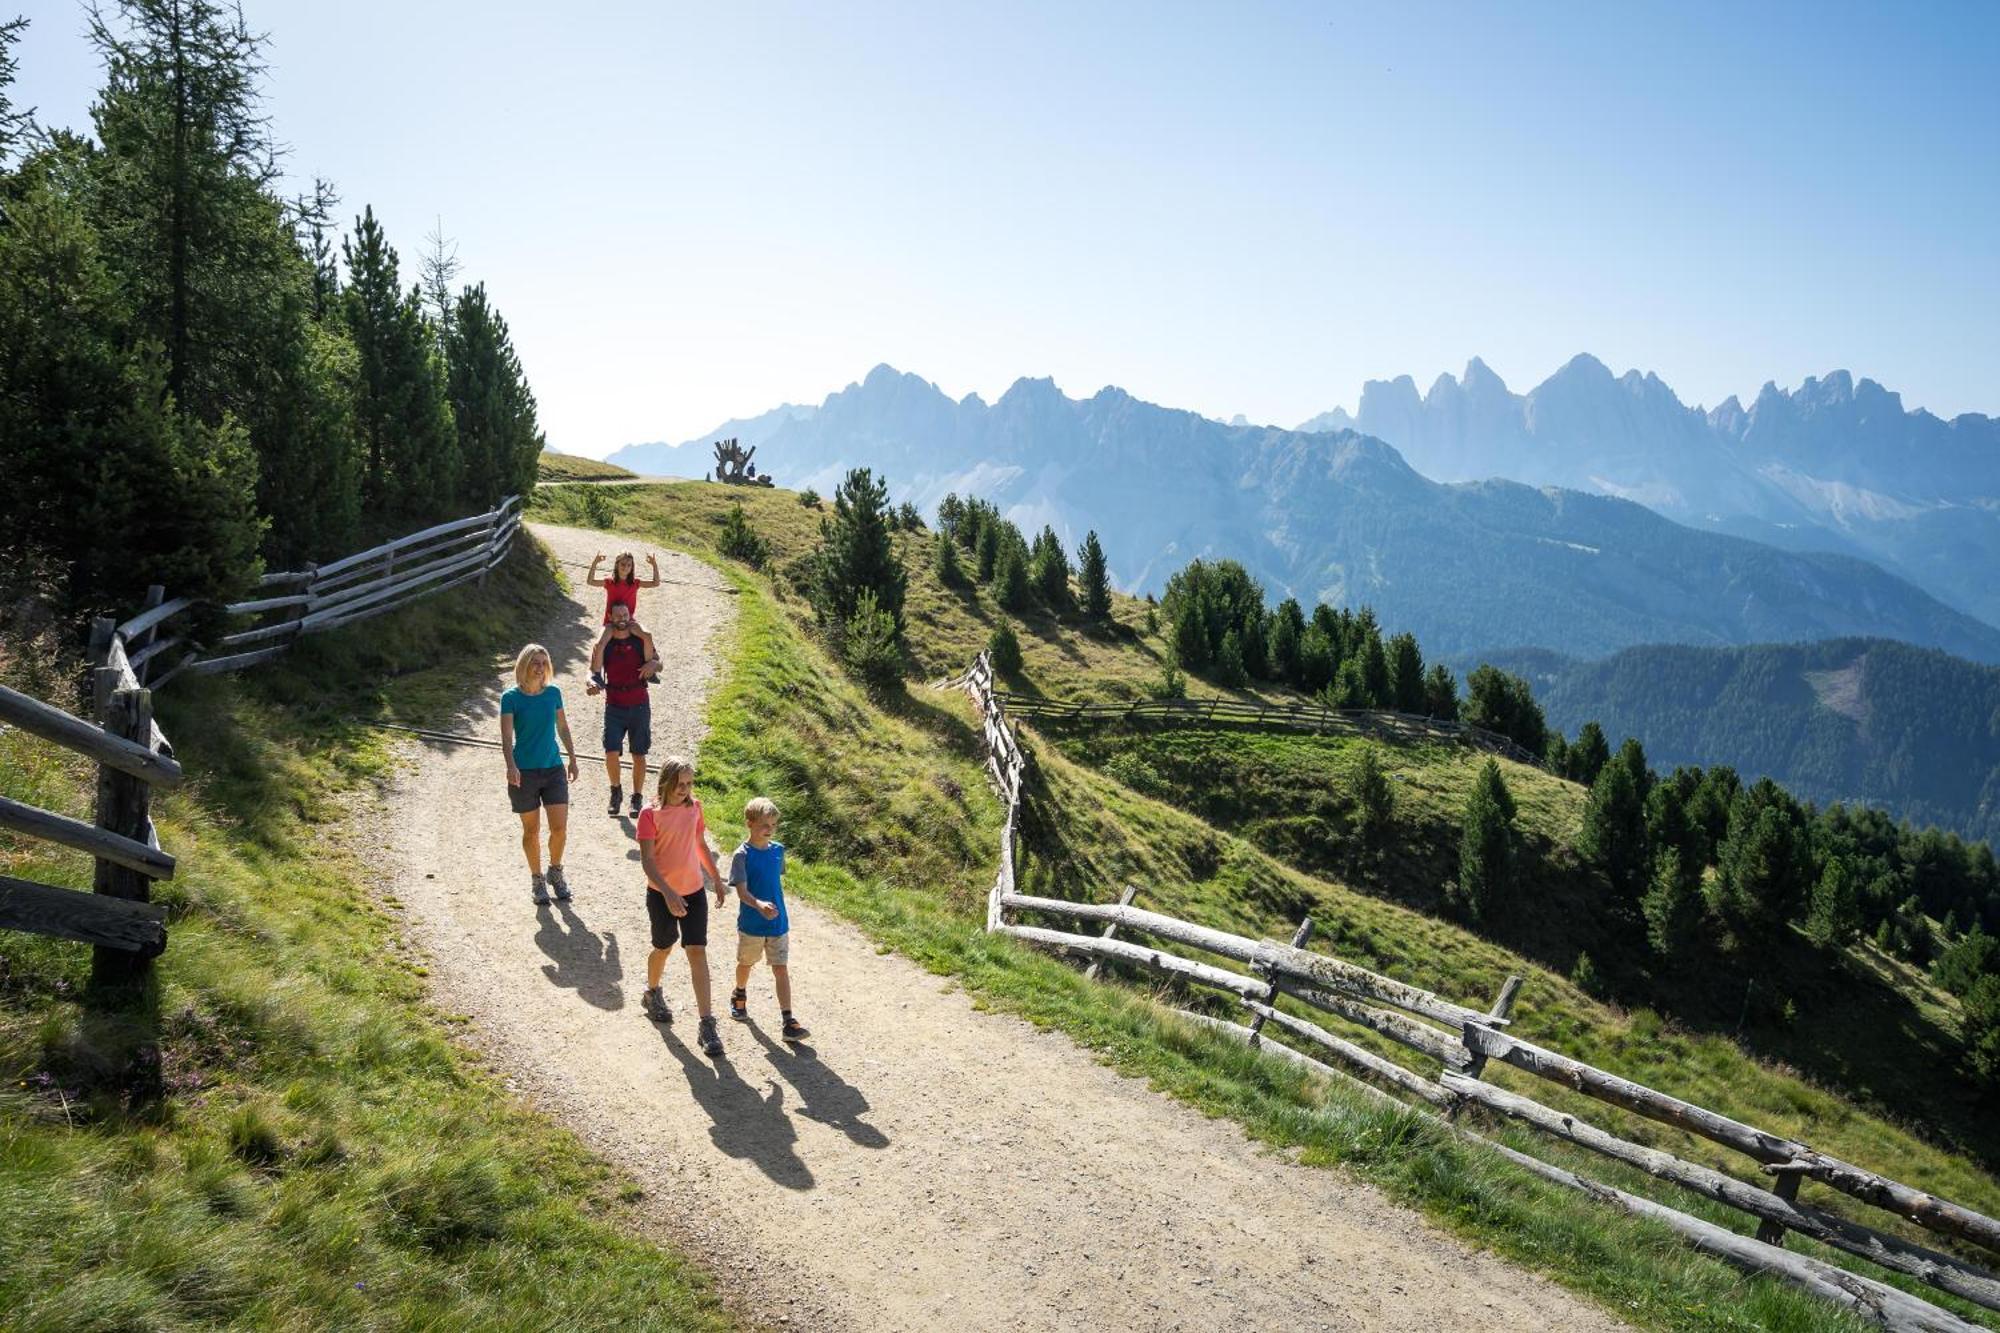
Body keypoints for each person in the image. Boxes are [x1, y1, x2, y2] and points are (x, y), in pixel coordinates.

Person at [636, 756, 729, 1056]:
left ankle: (706, 1024)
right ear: (666, 782)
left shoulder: (694, 808)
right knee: (663, 947)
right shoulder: (650, 814)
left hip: (693, 891)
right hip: (661, 894)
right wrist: (668, 893)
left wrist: (714, 878)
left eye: (690, 784)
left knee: (697, 950)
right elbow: (648, 862)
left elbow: (700, 844)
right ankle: (652, 992)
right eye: (680, 785)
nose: (685, 790)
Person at [499, 643, 580, 905]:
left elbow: (563, 727)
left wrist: (572, 758)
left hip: (553, 769)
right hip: (525, 774)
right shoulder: (510, 698)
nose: (540, 667)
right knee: (531, 831)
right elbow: (506, 736)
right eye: (535, 662)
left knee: (560, 829)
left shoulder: (553, 693)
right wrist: (511, 766)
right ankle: (537, 880)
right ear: (523, 664)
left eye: (544, 662)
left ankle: (555, 872)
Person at [727, 797, 809, 1041]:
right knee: (746, 963)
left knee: (781, 968)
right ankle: (739, 993)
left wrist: (772, 908)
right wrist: (758, 904)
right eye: (764, 824)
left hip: (777, 923)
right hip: (752, 924)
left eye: (773, 824)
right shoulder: (742, 855)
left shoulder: (778, 851)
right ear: (749, 823)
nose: (769, 829)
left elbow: (775, 881)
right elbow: (742, 892)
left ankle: (788, 1021)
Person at [586, 603, 661, 817]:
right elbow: (594, 671)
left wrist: (653, 665)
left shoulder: (640, 640)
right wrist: (592, 683)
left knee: (639, 753)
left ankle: (636, 797)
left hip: (639, 704)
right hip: (614, 704)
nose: (622, 618)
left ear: (630, 616)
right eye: (618, 615)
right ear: (610, 617)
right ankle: (615, 791)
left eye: (626, 614)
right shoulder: (605, 644)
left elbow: (658, 662)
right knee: (610, 751)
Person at [586, 551, 660, 626]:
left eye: (629, 565)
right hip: (611, 622)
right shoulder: (609, 582)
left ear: (632, 567)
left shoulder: (635, 583)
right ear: (617, 565)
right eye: (623, 564)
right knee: (603, 638)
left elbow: (656, 583)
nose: (625, 567)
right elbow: (590, 581)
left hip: (628, 622)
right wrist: (595, 563)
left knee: (646, 635)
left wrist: (654, 565)